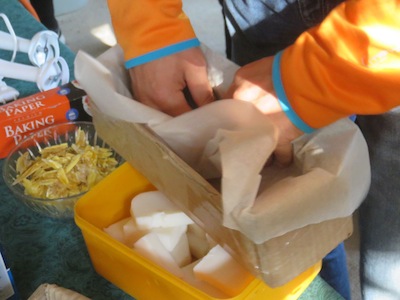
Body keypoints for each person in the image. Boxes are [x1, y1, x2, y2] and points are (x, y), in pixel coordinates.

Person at [106, 0, 400, 299]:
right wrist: (150, 25)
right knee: (294, 226)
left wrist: (310, 79)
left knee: (388, 237)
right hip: (271, 17)